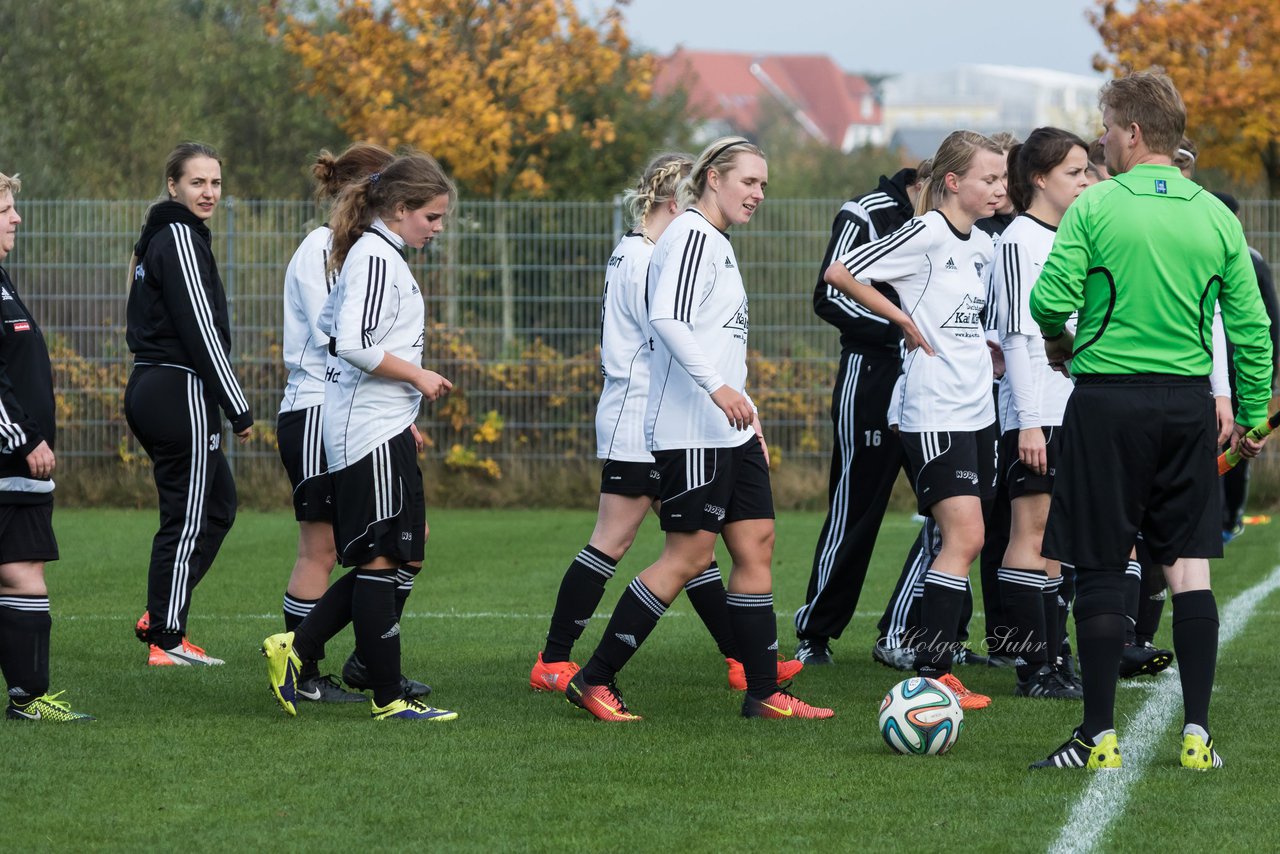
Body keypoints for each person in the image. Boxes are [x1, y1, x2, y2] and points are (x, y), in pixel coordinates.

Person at [1029, 72, 1272, 771]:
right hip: (1187, 405)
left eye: (1107, 127)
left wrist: (1060, 340)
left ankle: (1097, 738)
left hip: (1108, 402)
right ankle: (1198, 736)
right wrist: (1251, 415)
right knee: (1189, 567)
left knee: (1103, 565)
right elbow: (1250, 330)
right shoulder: (1216, 216)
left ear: (1133, 132)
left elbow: (1051, 297)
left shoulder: (1098, 205)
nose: (1103, 139)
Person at [563, 136, 833, 721]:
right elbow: (667, 319)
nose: (758, 193)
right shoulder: (688, 234)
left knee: (756, 543)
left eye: (764, 184)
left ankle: (763, 692)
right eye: (749, 181)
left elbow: (720, 341)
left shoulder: (717, 241)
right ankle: (594, 677)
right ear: (713, 177)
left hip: (731, 431)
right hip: (690, 430)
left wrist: (749, 414)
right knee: (687, 556)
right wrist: (717, 389)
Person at [262, 152, 459, 722]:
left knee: (398, 554)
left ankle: (298, 651)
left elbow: (331, 325)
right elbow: (349, 342)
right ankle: (387, 695)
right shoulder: (374, 255)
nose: (438, 229)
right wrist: (417, 376)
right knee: (376, 559)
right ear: (399, 209)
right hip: (365, 428)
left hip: (386, 422)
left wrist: (404, 395)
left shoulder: (376, 253)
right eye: (432, 217)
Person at [824, 130, 1007, 711]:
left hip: (978, 411)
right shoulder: (927, 231)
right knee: (965, 536)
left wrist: (986, 347)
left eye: (1003, 179)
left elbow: (961, 317)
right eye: (989, 178)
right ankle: (932, 671)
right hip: (935, 410)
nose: (1000, 188)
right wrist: (900, 319)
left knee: (964, 539)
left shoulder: (980, 244)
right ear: (953, 182)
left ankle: (934, 665)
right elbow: (842, 273)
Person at [125, 142, 253, 666]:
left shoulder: (164, 236)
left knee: (218, 505)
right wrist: (237, 405)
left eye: (216, 183)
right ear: (173, 186)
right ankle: (168, 639)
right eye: (197, 182)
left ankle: (161, 613)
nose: (209, 192)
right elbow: (198, 326)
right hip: (178, 388)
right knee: (187, 515)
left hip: (158, 385)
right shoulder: (177, 236)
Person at [793, 163, 924, 667]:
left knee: (955, 513)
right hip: (871, 377)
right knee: (855, 508)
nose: (996, 193)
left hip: (936, 385)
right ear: (939, 180)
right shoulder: (866, 212)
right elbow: (828, 294)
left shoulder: (957, 225)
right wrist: (904, 331)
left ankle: (911, 631)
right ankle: (816, 634)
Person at [989, 127, 1090, 699]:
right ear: (1039, 178)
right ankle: (1032, 667)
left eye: (1084, 171)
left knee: (1058, 538)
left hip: (1073, 411)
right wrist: (1028, 420)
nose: (1084, 182)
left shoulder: (1072, 238)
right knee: (1030, 531)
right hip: (1036, 414)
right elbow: (1019, 338)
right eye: (1074, 173)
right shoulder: (1018, 242)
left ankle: (1056, 659)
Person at [0, 172, 93, 722]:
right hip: (11, 458)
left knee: (17, 568)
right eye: (5, 208)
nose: (15, 218)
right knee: (22, 569)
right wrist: (23, 437)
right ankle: (30, 700)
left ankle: (27, 698)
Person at [1209, 191, 1280, 543]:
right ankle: (1210, 514)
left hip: (1240, 377)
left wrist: (1267, 379)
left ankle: (1229, 517)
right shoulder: (1202, 253)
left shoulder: (1251, 259)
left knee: (1237, 447)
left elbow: (1266, 324)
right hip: (1205, 377)